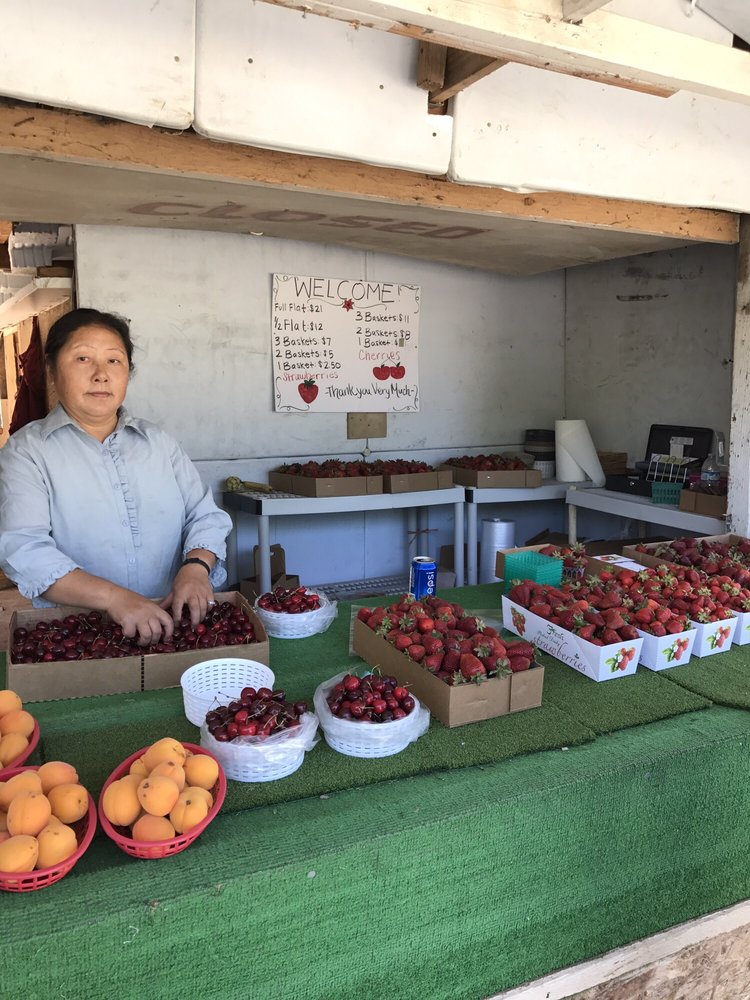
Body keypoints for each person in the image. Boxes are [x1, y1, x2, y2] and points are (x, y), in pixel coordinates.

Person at [0, 308, 232, 645]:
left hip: (177, 622)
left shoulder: (158, 443)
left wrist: (196, 568)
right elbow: (25, 550)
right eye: (82, 358)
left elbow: (205, 515)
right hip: (80, 635)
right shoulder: (27, 452)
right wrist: (115, 599)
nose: (101, 374)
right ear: (51, 370)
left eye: (114, 361)